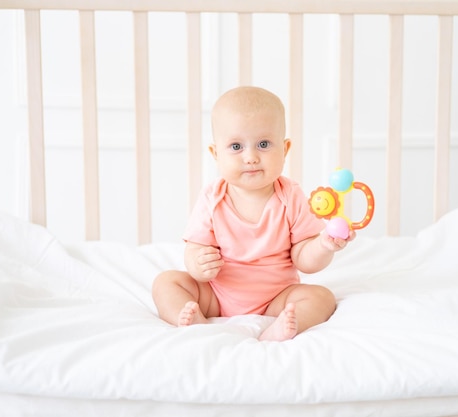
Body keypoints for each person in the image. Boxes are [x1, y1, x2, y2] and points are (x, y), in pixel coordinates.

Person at [152, 86, 355, 341]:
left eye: (263, 144)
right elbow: (194, 248)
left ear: (285, 149)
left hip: (276, 298)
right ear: (216, 154)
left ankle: (278, 330)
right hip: (216, 296)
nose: (250, 157)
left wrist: (324, 245)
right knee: (165, 283)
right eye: (236, 146)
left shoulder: (290, 196)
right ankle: (197, 324)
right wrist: (198, 265)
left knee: (321, 298)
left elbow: (305, 259)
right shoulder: (212, 197)